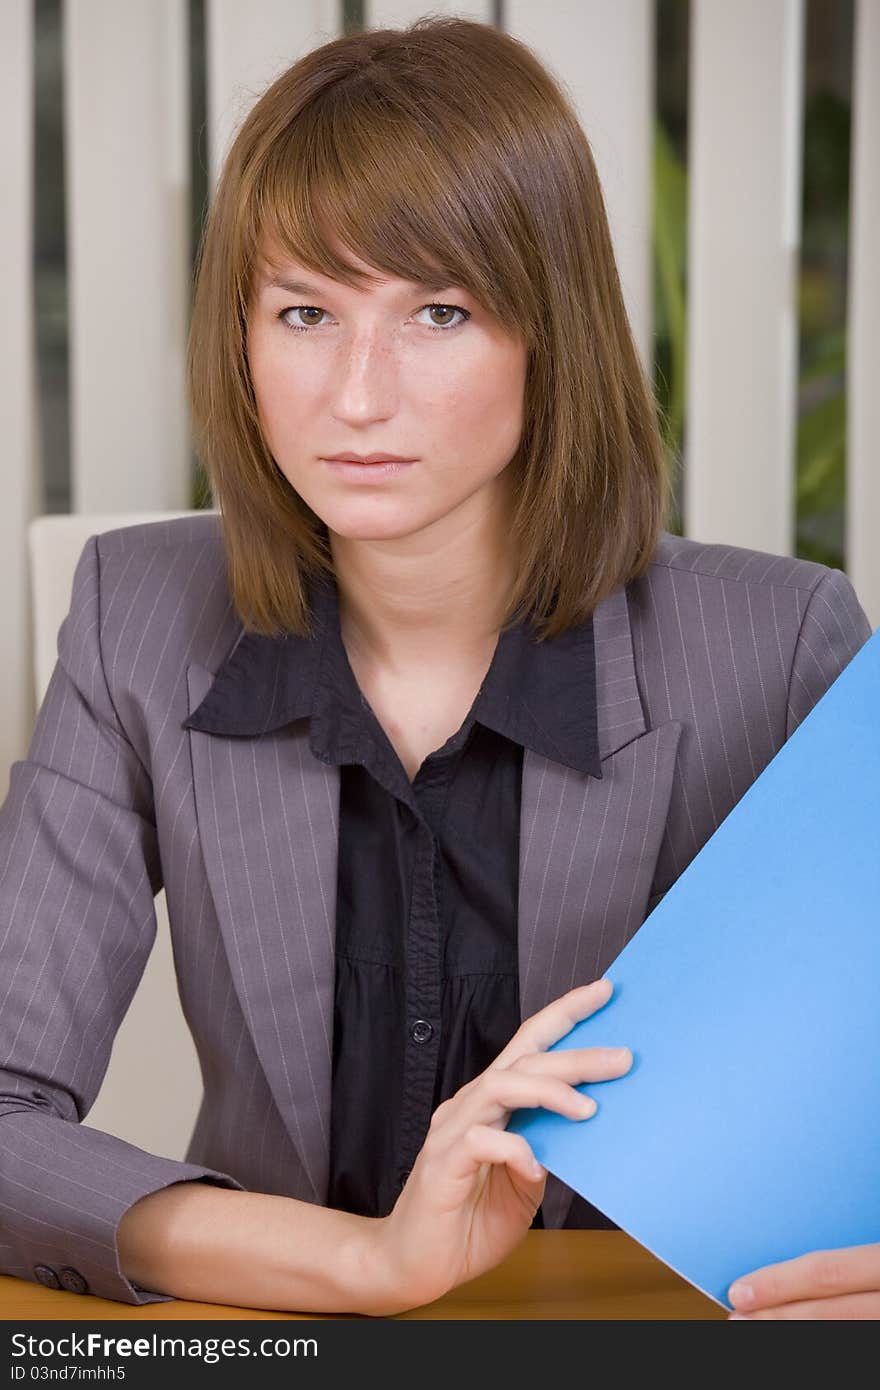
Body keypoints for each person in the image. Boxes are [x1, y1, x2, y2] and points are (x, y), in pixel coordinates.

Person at [0, 16, 876, 1320]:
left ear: (550, 334)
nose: (357, 395)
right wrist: (367, 1261)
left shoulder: (784, 648)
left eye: (439, 313)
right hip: (281, 1334)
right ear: (240, 340)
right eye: (305, 311)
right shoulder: (136, 616)